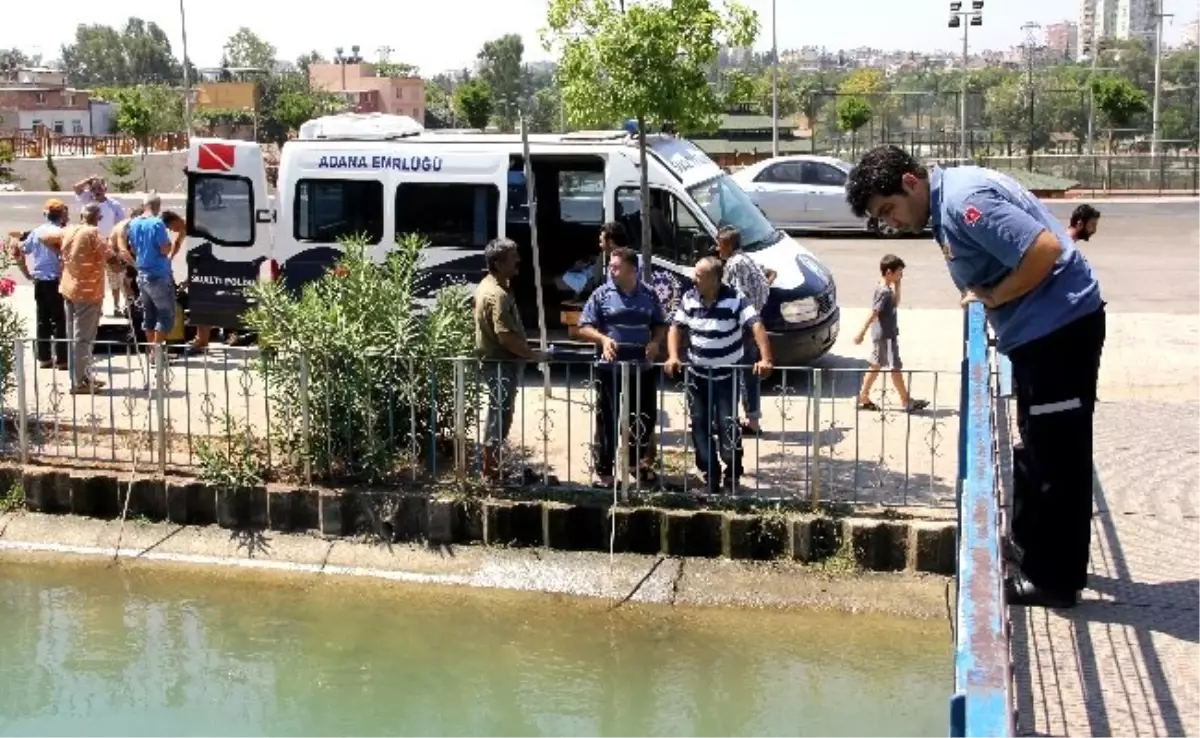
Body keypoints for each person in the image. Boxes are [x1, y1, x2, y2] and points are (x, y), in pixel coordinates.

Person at [845, 145, 1104, 609]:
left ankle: (1054, 581)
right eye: (881, 219)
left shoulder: (965, 204)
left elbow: (1043, 250)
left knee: (1056, 460)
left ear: (910, 182)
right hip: (1041, 334)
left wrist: (992, 295)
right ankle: (1034, 554)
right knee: (1040, 447)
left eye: (889, 210)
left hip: (1057, 332)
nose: (892, 223)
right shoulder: (946, 203)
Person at [665, 256, 774, 494]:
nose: (693, 279)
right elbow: (676, 327)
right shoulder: (689, 297)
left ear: (714, 279)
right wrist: (673, 356)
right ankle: (710, 475)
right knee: (699, 425)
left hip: (726, 376)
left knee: (727, 426)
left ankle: (732, 471)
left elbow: (756, 325)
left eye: (699, 276)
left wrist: (766, 359)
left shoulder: (735, 298)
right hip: (696, 374)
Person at [577, 246, 667, 487]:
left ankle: (635, 463)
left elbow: (660, 323)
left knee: (644, 417)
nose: (611, 271)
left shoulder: (648, 294)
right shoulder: (601, 294)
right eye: (610, 266)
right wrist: (603, 339)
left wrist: (655, 342)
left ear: (632, 270)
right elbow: (584, 326)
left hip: (641, 368)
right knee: (607, 419)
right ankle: (605, 472)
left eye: (616, 267)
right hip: (610, 369)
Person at [474, 238, 544, 482]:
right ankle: (490, 472)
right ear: (499, 262)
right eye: (513, 257)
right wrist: (532, 355)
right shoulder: (497, 294)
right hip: (500, 364)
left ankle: (492, 468)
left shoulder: (490, 285)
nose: (518, 261)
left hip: (497, 363)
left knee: (499, 413)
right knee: (499, 416)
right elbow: (505, 336)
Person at [715, 226, 774, 434]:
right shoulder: (747, 259)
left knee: (735, 373)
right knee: (748, 374)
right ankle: (752, 421)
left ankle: (731, 421)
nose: (716, 248)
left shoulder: (735, 263)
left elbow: (737, 297)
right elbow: (770, 275)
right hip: (752, 322)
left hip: (742, 326)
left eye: (719, 244)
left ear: (728, 245)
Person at [853, 254, 928, 413]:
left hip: (884, 333)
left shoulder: (885, 288)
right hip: (885, 335)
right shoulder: (883, 291)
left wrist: (898, 285)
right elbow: (874, 312)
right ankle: (905, 400)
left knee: (876, 365)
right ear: (889, 272)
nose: (901, 275)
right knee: (894, 367)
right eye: (899, 272)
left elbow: (895, 303)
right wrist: (861, 332)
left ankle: (864, 396)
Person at [59, 203, 110, 394]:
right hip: (87, 292)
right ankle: (79, 382)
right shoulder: (93, 232)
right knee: (83, 338)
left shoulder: (69, 230)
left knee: (75, 336)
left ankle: (82, 375)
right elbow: (109, 255)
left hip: (70, 288)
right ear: (98, 217)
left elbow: (45, 237)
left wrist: (69, 260)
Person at [14, 199, 69, 369]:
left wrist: (26, 273)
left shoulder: (37, 232)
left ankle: (44, 357)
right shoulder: (61, 232)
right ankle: (62, 359)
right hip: (56, 280)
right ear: (62, 215)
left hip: (40, 279)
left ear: (46, 214)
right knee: (59, 320)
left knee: (42, 318)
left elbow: (21, 250)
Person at [126, 209, 183, 357]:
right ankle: (156, 355)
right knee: (165, 315)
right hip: (158, 275)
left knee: (149, 315)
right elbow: (165, 249)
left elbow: (132, 248)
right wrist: (168, 246)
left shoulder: (135, 224)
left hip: (142, 274)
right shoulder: (158, 225)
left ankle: (153, 353)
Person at [73, 175, 127, 316]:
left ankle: (116, 306)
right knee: (95, 279)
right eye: (94, 188)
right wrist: (89, 179)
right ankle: (98, 308)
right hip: (90, 246)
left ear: (105, 188)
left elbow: (121, 225)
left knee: (114, 278)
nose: (97, 191)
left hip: (108, 244)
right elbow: (76, 188)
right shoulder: (87, 201)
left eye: (100, 188)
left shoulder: (113, 205)